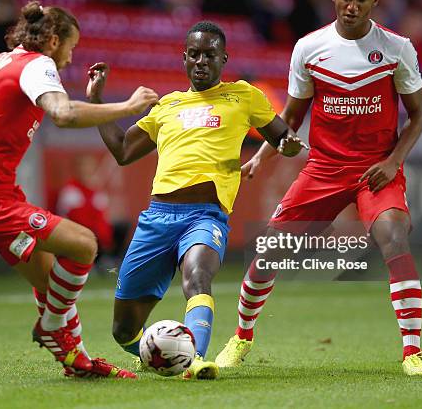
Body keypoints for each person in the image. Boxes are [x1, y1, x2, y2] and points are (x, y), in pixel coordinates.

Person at [0, 0, 158, 379]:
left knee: (50, 281)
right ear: (53, 40)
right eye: (71, 48)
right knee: (83, 244)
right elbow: (64, 114)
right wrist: (128, 106)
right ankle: (52, 327)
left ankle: (77, 361)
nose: (70, 59)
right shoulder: (37, 65)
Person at [215, 0, 422, 377]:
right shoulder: (308, 48)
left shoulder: (397, 48)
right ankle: (240, 338)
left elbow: (418, 115)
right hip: (324, 168)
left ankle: (412, 353)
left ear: (375, 1)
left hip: (375, 170)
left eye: (361, 0)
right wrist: (264, 153)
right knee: (269, 252)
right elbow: (291, 118)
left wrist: (393, 162)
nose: (352, 7)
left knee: (393, 236)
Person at [88, 20, 306, 379]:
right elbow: (123, 151)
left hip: (205, 216)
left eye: (209, 55)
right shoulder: (166, 106)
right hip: (157, 218)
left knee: (198, 279)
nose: (201, 61)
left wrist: (287, 144)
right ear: (184, 59)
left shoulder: (244, 96)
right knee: (123, 331)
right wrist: (96, 102)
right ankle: (155, 352)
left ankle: (195, 361)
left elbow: (280, 134)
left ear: (224, 59)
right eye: (194, 55)